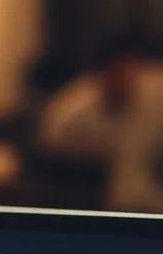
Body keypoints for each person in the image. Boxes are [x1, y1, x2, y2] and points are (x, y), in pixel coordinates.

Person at [39, 36, 163, 212]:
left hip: (149, 202)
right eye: (118, 71)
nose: (126, 78)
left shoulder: (152, 100)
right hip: (97, 211)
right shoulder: (72, 110)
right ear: (100, 73)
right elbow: (48, 149)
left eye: (131, 70)